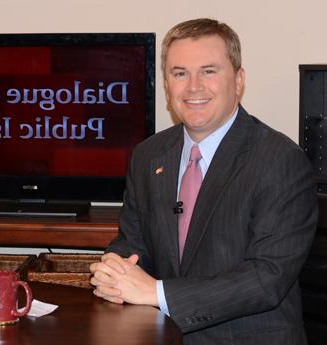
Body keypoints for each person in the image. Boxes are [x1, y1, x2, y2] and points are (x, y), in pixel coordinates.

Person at [90, 18, 317, 344]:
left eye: (209, 71)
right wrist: (116, 270)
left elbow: (267, 279)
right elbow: (133, 244)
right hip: (162, 335)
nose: (193, 86)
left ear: (238, 81)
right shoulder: (148, 155)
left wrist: (155, 291)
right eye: (180, 73)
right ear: (167, 86)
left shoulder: (280, 160)